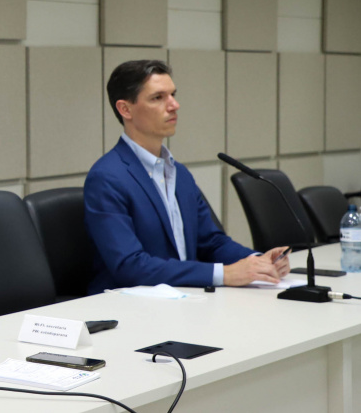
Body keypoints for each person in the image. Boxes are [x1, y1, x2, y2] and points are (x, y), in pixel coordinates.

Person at [84, 60, 290, 294]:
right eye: (158, 98)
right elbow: (130, 266)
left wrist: (259, 261)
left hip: (185, 298)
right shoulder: (107, 178)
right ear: (125, 109)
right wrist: (225, 274)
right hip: (128, 306)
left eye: (173, 95)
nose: (174, 105)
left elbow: (211, 242)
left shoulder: (178, 173)